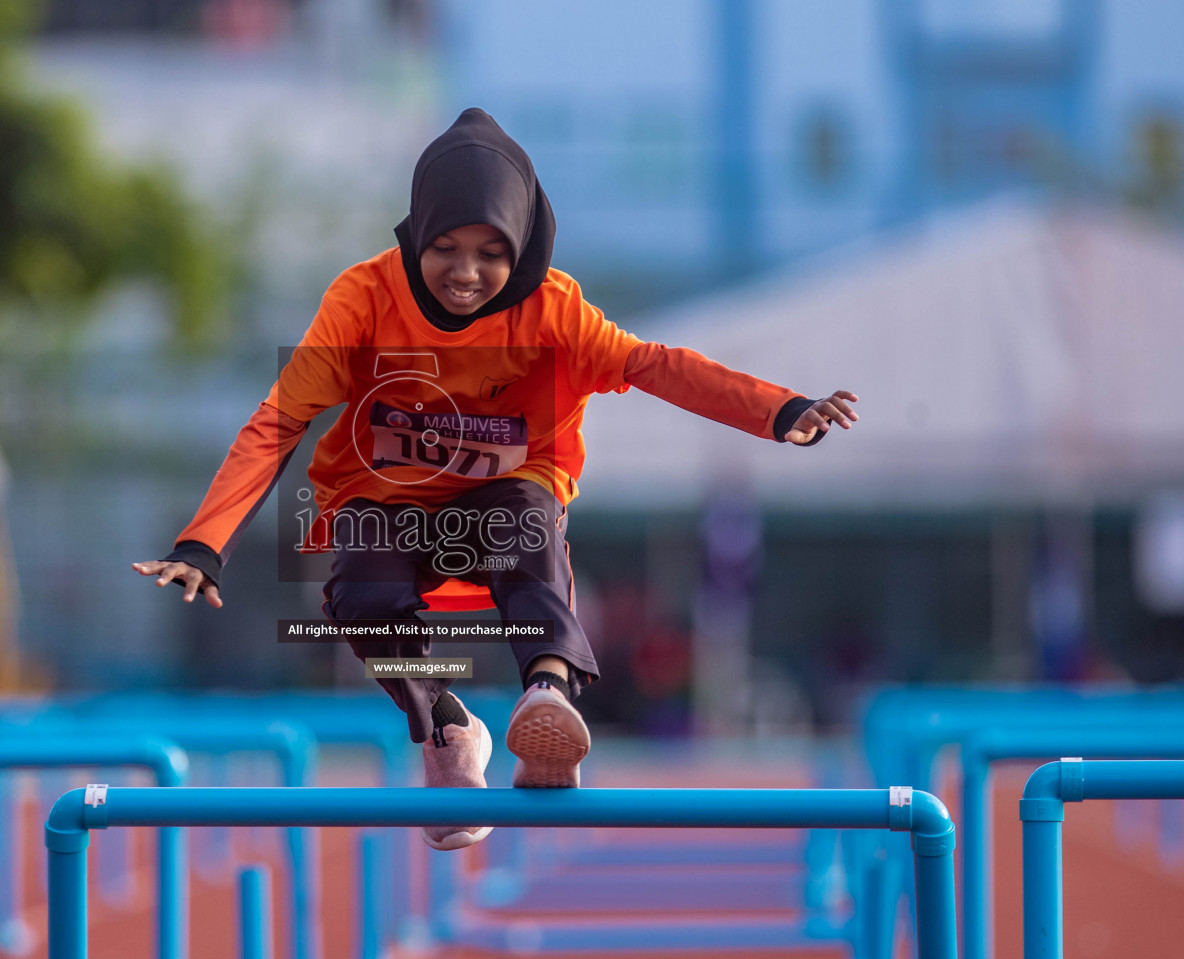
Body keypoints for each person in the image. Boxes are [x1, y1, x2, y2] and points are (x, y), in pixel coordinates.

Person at [133, 108, 857, 850]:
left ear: (523, 248)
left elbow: (654, 365)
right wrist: (204, 542)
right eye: (444, 249)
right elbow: (281, 420)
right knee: (360, 592)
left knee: (525, 527)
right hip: (390, 498)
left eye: (490, 253)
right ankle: (448, 731)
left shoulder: (555, 312)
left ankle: (548, 695)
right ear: (415, 236)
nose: (465, 274)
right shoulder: (362, 300)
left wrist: (777, 408)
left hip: (510, 490)